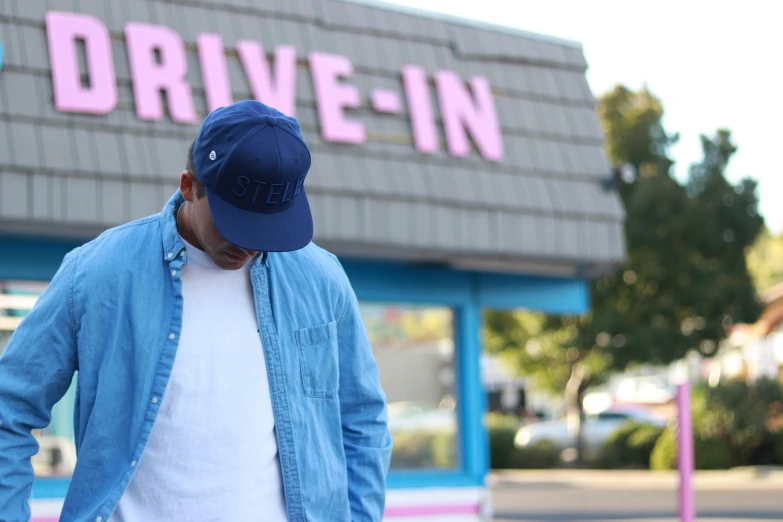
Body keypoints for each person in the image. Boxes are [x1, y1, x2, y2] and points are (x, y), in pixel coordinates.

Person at [0, 100, 393, 522]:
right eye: (237, 223)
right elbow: (10, 409)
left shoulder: (321, 279)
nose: (252, 245)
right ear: (189, 186)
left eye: (270, 227)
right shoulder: (96, 273)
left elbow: (362, 421)